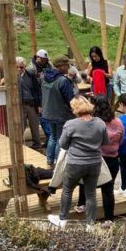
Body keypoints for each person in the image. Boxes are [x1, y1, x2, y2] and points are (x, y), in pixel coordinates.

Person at [48, 97, 108, 229]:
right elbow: (105, 142)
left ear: (75, 109)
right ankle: (90, 224)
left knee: (67, 189)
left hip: (75, 162)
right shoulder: (100, 123)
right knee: (91, 194)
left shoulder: (70, 124)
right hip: (94, 162)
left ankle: (62, 220)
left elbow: (62, 144)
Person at [77, 96, 123, 222]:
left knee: (86, 182)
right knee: (108, 190)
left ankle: (82, 206)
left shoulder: (93, 123)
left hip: (96, 157)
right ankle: (109, 219)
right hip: (113, 158)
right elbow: (121, 138)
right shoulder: (118, 122)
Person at [41, 55, 76, 167]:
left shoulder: (45, 77)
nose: (68, 67)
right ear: (61, 66)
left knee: (52, 137)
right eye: (67, 65)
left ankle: (49, 162)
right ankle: (58, 164)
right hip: (61, 115)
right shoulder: (63, 80)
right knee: (61, 140)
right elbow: (70, 99)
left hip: (48, 113)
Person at [16, 56, 44, 151]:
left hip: (31, 104)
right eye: (17, 67)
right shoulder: (13, 77)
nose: (19, 69)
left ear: (24, 66)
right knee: (20, 126)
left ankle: (37, 145)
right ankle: (19, 145)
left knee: (35, 126)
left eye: (21, 67)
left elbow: (37, 90)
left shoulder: (31, 75)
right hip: (19, 105)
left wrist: (39, 105)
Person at [25, 49, 50, 149]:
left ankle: (49, 138)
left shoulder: (48, 65)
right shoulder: (31, 69)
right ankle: (48, 137)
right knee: (42, 117)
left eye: (45, 59)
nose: (44, 61)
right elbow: (33, 87)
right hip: (37, 96)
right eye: (43, 59)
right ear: (37, 57)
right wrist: (38, 103)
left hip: (47, 95)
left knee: (47, 117)